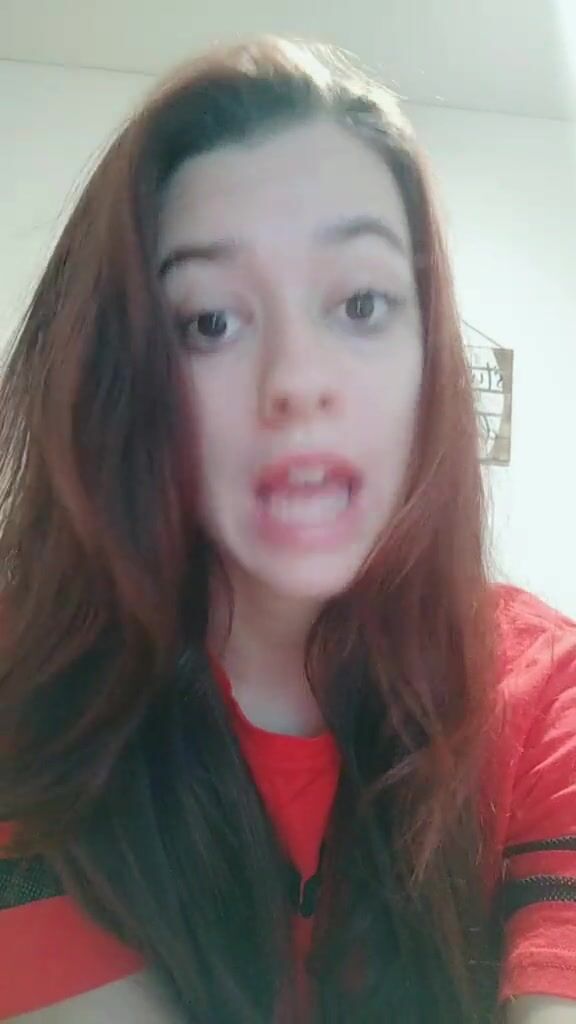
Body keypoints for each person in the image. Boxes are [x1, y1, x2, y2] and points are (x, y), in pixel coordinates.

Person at [0, 36, 575, 1024]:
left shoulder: (542, 689)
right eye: (210, 322)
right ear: (121, 377)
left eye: (361, 303)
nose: (299, 384)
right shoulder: (31, 688)